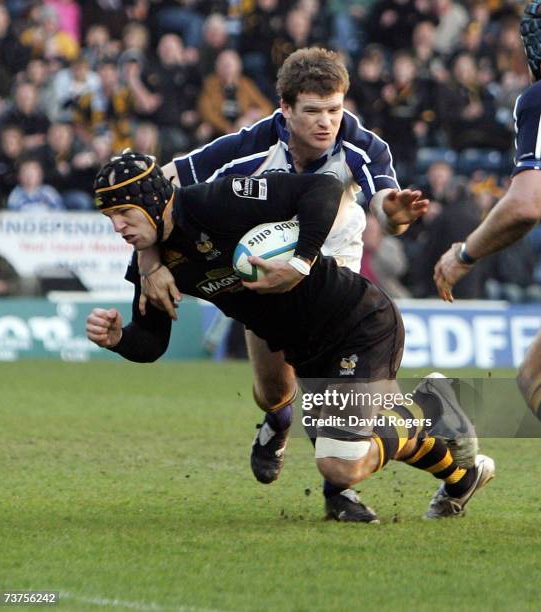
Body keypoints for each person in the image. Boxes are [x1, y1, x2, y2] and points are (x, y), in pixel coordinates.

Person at [136, 47, 479, 515]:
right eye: (313, 111)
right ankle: (280, 420)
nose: (327, 122)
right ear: (286, 110)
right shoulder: (246, 145)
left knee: (334, 398)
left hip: (332, 267)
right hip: (261, 275)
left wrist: (394, 216)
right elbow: (156, 191)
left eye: (335, 110)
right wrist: (149, 260)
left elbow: (383, 202)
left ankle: (341, 489)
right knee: (272, 390)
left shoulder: (363, 145)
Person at [86, 151, 494, 522]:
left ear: (153, 200)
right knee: (351, 447)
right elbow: (152, 343)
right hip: (308, 354)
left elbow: (323, 187)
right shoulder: (150, 263)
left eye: (124, 212)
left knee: (339, 464)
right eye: (110, 218)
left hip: (358, 324)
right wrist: (119, 338)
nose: (117, 226)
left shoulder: (217, 200)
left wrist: (300, 262)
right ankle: (460, 478)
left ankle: (429, 405)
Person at [434, 1, 541, 424]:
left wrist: (464, 255)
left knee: (533, 378)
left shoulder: (537, 99)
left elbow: (525, 203)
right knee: (533, 375)